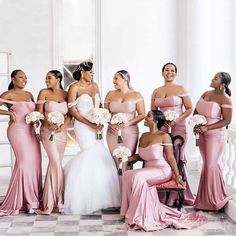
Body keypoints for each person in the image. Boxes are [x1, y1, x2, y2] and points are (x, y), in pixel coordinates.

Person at [120, 110, 207, 231]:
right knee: (127, 174)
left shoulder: (164, 136)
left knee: (137, 177)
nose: (145, 117)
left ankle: (137, 216)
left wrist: (177, 176)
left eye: (149, 116)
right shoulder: (144, 136)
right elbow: (140, 155)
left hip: (162, 170)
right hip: (148, 170)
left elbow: (171, 157)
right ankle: (129, 211)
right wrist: (126, 157)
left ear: (156, 120)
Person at [63, 61, 120, 214]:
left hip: (97, 125)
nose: (93, 74)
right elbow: (73, 111)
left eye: (93, 72)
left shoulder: (95, 86)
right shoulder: (74, 87)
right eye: (91, 72)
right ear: (82, 72)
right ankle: (82, 196)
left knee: (99, 152)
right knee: (88, 152)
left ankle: (100, 195)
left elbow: (100, 105)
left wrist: (101, 119)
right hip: (82, 126)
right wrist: (90, 123)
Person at [151, 62, 194, 206]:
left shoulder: (181, 88)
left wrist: (177, 119)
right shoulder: (156, 91)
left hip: (179, 126)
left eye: (173, 70)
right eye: (167, 70)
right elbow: (153, 113)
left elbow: (189, 108)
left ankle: (177, 194)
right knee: (163, 157)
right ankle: (163, 193)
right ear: (162, 72)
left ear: (176, 73)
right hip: (162, 128)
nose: (170, 72)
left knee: (177, 157)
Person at [0, 69, 42, 216]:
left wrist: (37, 122)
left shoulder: (29, 94)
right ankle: (22, 200)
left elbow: (34, 112)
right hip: (17, 131)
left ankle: (31, 201)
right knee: (24, 163)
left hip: (31, 131)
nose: (24, 80)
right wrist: (9, 113)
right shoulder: (8, 95)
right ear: (13, 79)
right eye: (21, 77)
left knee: (35, 163)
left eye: (26, 78)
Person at [194, 72, 232, 211]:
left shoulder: (225, 99)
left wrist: (207, 127)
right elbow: (196, 110)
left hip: (216, 135)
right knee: (208, 165)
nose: (212, 79)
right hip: (202, 134)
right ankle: (204, 200)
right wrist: (195, 123)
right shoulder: (205, 94)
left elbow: (227, 120)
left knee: (210, 165)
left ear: (222, 84)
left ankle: (213, 200)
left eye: (215, 78)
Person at [35, 70, 70, 215]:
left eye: (49, 78)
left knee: (55, 164)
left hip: (62, 133)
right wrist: (48, 124)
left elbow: (70, 116)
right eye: (46, 77)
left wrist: (63, 125)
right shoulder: (43, 92)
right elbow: (39, 113)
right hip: (47, 132)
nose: (46, 80)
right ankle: (55, 202)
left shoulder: (67, 94)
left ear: (58, 79)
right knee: (55, 162)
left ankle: (51, 202)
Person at [104, 70, 145, 172]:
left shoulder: (136, 95)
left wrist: (128, 123)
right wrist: (110, 123)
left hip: (130, 132)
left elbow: (142, 114)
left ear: (125, 79)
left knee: (126, 159)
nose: (113, 81)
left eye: (116, 78)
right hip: (112, 132)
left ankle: (126, 185)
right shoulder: (110, 94)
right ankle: (116, 186)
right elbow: (105, 113)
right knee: (114, 160)